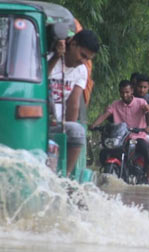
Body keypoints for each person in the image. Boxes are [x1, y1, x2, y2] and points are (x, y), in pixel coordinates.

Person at [48, 29, 100, 177]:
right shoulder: (48, 59)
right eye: (82, 55)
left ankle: (66, 177)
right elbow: (38, 81)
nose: (82, 61)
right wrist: (56, 58)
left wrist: (67, 130)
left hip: (57, 124)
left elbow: (74, 103)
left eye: (87, 59)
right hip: (39, 119)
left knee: (77, 131)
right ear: (72, 44)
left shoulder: (82, 70)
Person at [89, 80, 149, 182]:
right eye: (122, 92)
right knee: (103, 152)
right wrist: (94, 124)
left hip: (137, 136)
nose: (124, 95)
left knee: (147, 150)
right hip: (120, 137)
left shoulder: (141, 102)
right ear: (119, 92)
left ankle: (148, 177)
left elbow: (148, 113)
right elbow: (105, 115)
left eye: (127, 92)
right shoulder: (115, 104)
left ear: (132, 91)